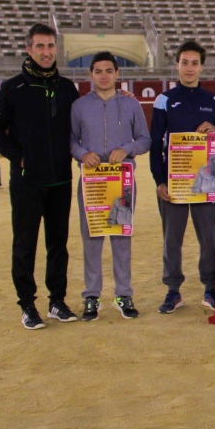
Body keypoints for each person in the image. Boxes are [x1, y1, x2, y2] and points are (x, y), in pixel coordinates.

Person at [0, 23, 81, 330]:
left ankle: (57, 301)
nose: (46, 52)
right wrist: (19, 157)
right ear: (28, 49)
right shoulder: (13, 88)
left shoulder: (67, 88)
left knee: (59, 243)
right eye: (40, 46)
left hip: (60, 180)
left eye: (50, 46)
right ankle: (27, 304)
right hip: (27, 181)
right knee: (25, 244)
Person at [149, 40, 215, 314]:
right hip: (174, 182)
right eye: (185, 62)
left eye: (195, 63)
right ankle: (173, 290)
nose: (189, 68)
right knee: (172, 239)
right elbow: (154, 143)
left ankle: (210, 288)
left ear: (201, 67)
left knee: (209, 237)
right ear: (177, 65)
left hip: (206, 180)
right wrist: (159, 181)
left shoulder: (213, 100)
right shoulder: (164, 100)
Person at [69, 51, 151, 321]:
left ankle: (123, 294)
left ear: (117, 74)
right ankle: (91, 296)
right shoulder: (79, 106)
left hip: (122, 180)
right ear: (90, 75)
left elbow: (144, 139)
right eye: (98, 71)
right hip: (92, 181)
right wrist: (82, 154)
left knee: (121, 237)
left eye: (109, 71)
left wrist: (126, 149)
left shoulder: (131, 105)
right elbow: (71, 141)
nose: (104, 76)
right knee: (91, 238)